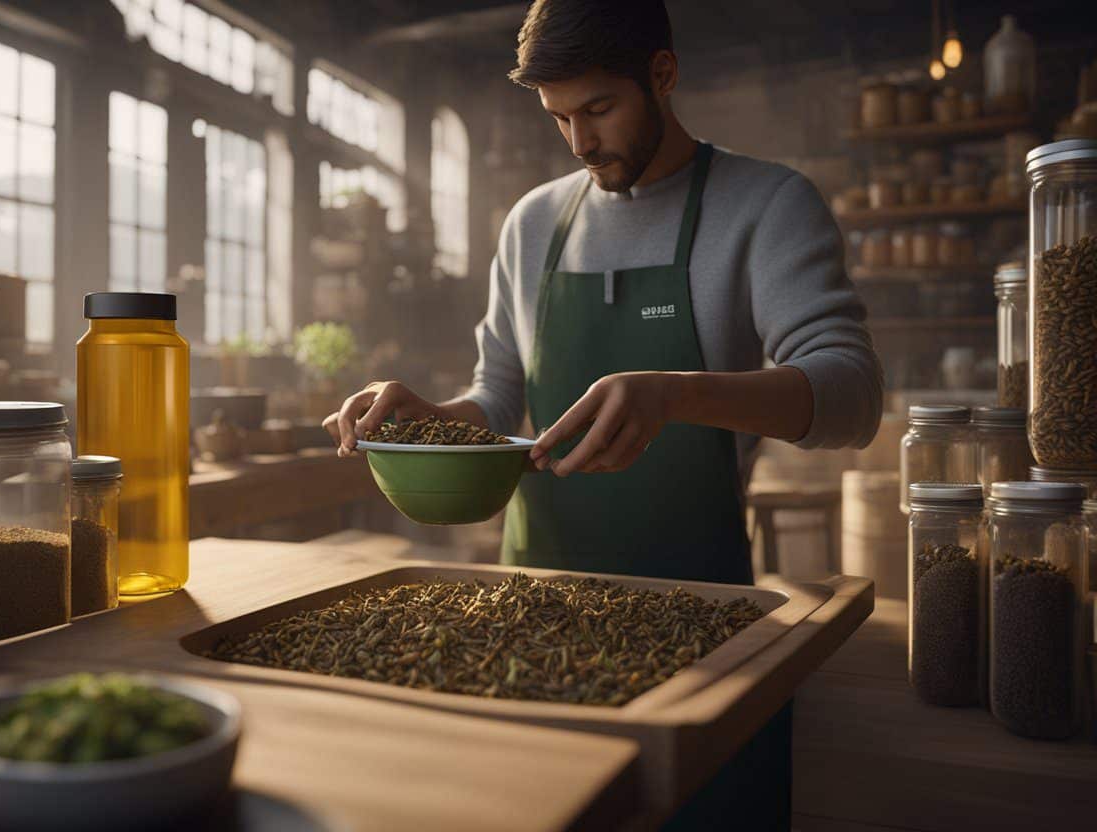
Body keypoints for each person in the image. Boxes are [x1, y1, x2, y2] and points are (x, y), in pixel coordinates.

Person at [326, 1, 881, 827]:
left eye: (598, 109)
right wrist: (426, 414)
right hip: (531, 611)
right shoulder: (534, 223)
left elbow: (852, 395)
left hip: (701, 621)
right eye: (557, 118)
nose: (580, 143)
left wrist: (678, 391)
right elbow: (499, 401)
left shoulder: (765, 205)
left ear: (662, 74)